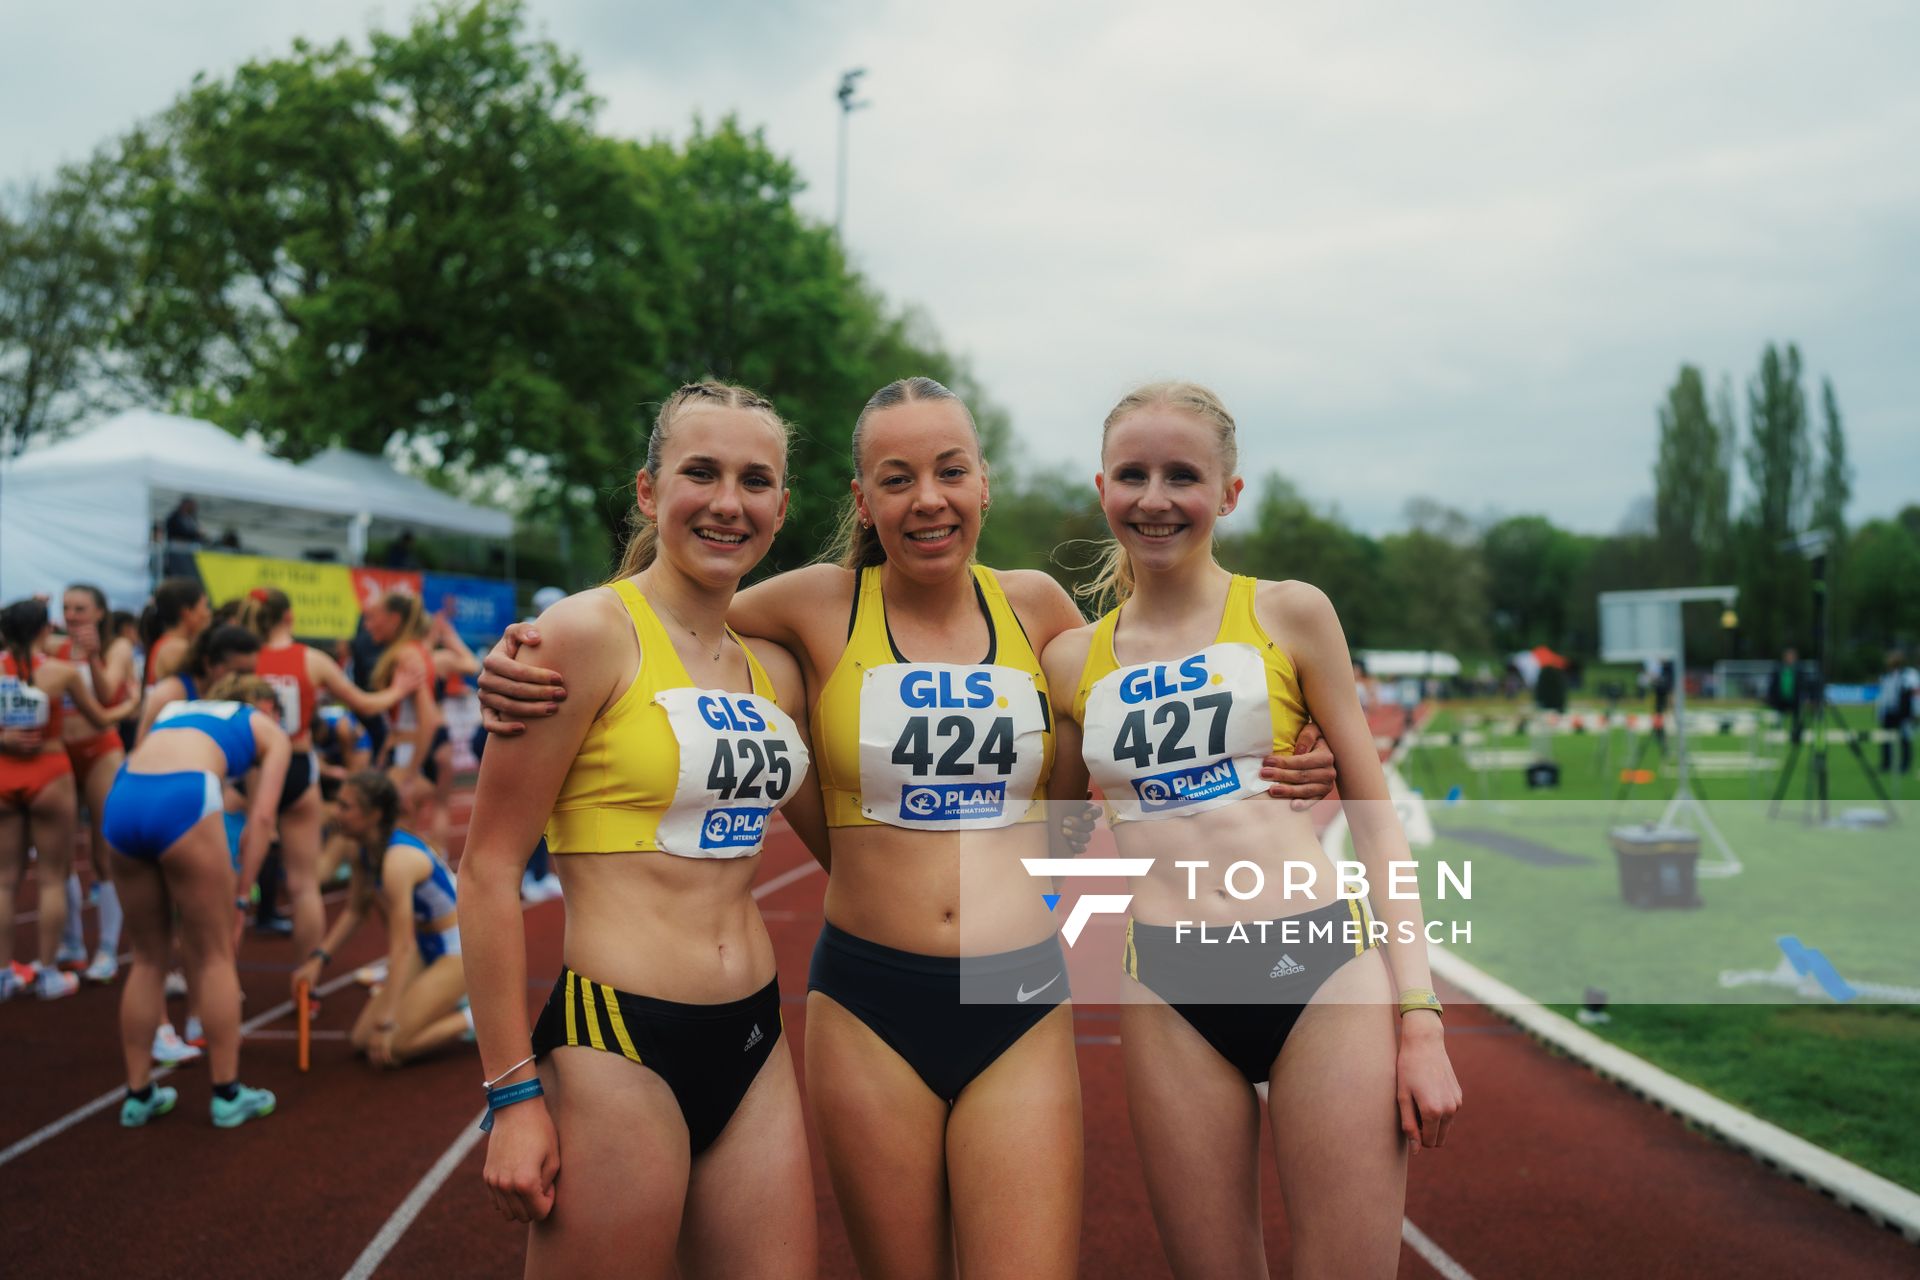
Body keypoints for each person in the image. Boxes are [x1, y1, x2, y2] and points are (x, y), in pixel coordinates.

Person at [478, 377, 1341, 1277]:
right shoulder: (813, 606)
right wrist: (520, 647)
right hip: (867, 1002)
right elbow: (669, 611)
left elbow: (1145, 690)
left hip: (1017, 997)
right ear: (863, 500)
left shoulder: (1038, 609)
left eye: (950, 471)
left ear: (984, 484)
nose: (927, 499)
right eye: (896, 479)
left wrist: (1299, 741)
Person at [1040, 382, 1460, 1278]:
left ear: (1229, 494)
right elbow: (1058, 829)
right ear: (1102, 488)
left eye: (1182, 476)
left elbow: (1376, 820)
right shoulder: (1073, 660)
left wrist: (1420, 1017)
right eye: (1133, 475)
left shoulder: (1290, 612)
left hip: (1318, 969)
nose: (1155, 499)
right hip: (1168, 990)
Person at [464, 382, 819, 1276]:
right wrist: (511, 1095)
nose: (728, 502)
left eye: (755, 480)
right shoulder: (583, 633)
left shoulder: (771, 666)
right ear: (650, 491)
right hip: (617, 1041)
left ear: (781, 506)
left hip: (754, 1039)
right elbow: (489, 868)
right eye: (701, 472)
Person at [103, 673, 289, 1127]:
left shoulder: (176, 711)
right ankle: (227, 1094)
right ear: (262, 704)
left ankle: (138, 1094)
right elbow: (262, 818)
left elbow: (144, 758)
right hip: (184, 795)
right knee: (213, 956)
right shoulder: (266, 728)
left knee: (147, 957)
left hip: (124, 794)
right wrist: (242, 897)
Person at [238, 587, 422, 995]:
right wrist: (400, 690)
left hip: (250, 767)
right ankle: (306, 985)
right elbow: (366, 704)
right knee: (305, 885)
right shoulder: (311, 660)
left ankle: (218, 980)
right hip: (296, 764)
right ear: (289, 616)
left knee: (234, 881)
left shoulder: (244, 660)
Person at [1, 599, 140, 1000]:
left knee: (4, 881)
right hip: (49, 771)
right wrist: (131, 704)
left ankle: (3, 974)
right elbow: (100, 717)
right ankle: (48, 972)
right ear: (45, 630)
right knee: (50, 878)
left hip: (4, 771)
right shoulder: (59, 672)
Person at [291, 770, 470, 1067]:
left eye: (346, 806)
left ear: (373, 814)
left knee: (393, 1047)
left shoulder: (396, 862)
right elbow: (355, 911)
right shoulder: (363, 849)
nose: (336, 813)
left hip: (461, 950)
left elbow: (402, 947)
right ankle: (441, 1002)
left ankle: (473, 1018)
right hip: (428, 944)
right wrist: (317, 959)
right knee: (361, 1040)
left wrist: (387, 1020)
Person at [46, 584, 140, 983]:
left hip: (101, 751)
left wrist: (95, 655)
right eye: (66, 608)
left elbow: (105, 696)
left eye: (80, 608)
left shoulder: (117, 648)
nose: (72, 615)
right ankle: (72, 943)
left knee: (105, 854)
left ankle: (106, 949)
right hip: (61, 753)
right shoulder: (53, 646)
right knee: (60, 855)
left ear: (100, 612)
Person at [365, 593, 445, 842]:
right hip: (403, 755)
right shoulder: (413, 651)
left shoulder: (407, 654)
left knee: (390, 841)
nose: (367, 625)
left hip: (407, 759)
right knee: (399, 839)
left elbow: (429, 719)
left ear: (394, 619)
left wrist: (409, 777)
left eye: (372, 617)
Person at [1875, 649, 1916, 777]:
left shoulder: (1909, 675)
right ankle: (1886, 763)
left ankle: (1905, 765)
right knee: (1886, 739)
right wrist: (1880, 712)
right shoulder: (1886, 676)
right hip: (1889, 712)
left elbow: (1913, 695)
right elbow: (1884, 696)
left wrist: (1914, 713)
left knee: (1905, 739)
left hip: (1903, 712)